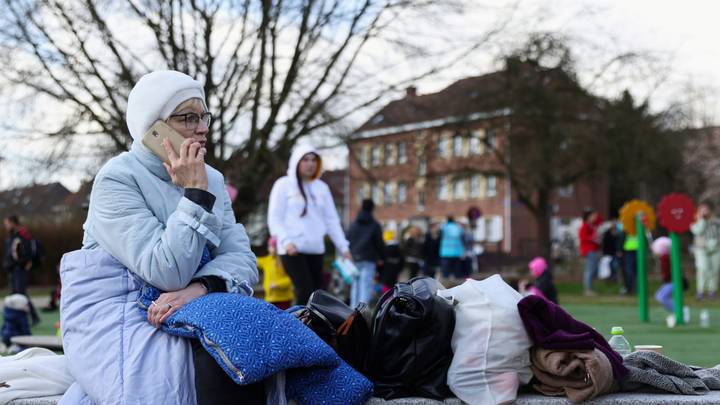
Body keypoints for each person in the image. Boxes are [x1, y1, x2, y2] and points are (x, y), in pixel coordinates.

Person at [62, 70, 262, 404]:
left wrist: (202, 288)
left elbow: (242, 259)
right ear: (154, 127)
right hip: (118, 307)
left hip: (196, 300)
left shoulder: (212, 178)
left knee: (241, 338)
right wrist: (194, 195)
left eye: (204, 117)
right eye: (188, 118)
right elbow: (166, 270)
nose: (202, 128)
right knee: (174, 372)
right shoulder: (117, 179)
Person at [267, 144, 351, 305]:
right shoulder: (283, 185)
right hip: (292, 249)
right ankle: (298, 328)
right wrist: (286, 241)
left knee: (317, 294)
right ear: (296, 161)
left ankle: (313, 328)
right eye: (305, 159)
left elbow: (332, 220)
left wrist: (344, 248)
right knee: (304, 291)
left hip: (316, 249)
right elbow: (274, 218)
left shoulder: (322, 188)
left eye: (314, 160)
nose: (310, 163)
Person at [347, 199, 385, 307]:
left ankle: (352, 310)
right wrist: (382, 257)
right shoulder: (374, 225)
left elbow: (348, 239)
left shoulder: (353, 224)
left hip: (355, 258)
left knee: (355, 286)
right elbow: (379, 243)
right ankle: (362, 312)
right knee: (366, 286)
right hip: (369, 258)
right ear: (372, 208)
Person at [2, 215, 40, 325]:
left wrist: (27, 262)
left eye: (7, 223)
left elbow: (28, 252)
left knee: (20, 294)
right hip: (13, 269)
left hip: (19, 269)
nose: (6, 226)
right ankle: (23, 317)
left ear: (13, 223)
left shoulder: (23, 235)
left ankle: (32, 317)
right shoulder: (12, 236)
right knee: (16, 293)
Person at [652, 236, 688, 327]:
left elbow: (668, 271)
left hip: (673, 281)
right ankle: (678, 310)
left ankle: (679, 311)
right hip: (669, 281)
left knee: (661, 297)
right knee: (659, 296)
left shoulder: (666, 258)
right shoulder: (665, 257)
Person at [690, 201, 720, 301]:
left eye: (706, 209)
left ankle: (712, 291)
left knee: (714, 270)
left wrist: (716, 241)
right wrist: (702, 220)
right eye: (702, 209)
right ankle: (700, 291)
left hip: (715, 249)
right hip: (701, 249)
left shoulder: (716, 221)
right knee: (702, 269)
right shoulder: (695, 221)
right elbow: (698, 231)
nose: (704, 211)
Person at [257, 237, 294, 310]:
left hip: (284, 299)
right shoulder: (267, 260)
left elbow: (290, 279)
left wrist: (277, 284)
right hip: (270, 298)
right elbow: (255, 260)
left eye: (271, 246)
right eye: (269, 246)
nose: (269, 248)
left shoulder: (284, 261)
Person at [578, 208, 601, 296]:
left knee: (593, 270)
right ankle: (587, 290)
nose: (595, 217)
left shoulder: (592, 226)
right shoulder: (585, 226)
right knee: (589, 270)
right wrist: (593, 238)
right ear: (588, 217)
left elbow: (599, 220)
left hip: (593, 250)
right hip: (589, 250)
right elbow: (583, 238)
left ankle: (589, 288)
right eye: (592, 216)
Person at [439, 216, 465, 282]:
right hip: (457, 251)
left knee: (445, 272)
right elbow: (462, 237)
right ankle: (457, 284)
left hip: (445, 251)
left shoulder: (443, 227)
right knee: (457, 271)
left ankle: (446, 284)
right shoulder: (458, 227)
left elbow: (439, 234)